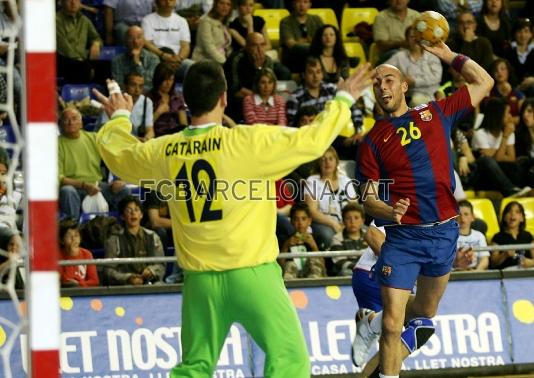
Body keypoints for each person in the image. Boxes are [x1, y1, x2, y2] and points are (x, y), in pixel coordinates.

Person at [93, 60, 372, 377]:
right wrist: (343, 100)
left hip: (200, 282)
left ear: (186, 101)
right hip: (252, 274)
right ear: (224, 98)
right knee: (289, 360)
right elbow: (312, 140)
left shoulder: (164, 150)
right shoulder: (247, 141)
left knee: (194, 368)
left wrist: (118, 117)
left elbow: (118, 154)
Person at [355, 40, 494, 378]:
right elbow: (368, 198)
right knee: (393, 323)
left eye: (388, 80)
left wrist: (448, 56)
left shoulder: (436, 112)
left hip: (445, 231)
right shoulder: (372, 141)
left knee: (424, 313)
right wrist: (390, 213)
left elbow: (484, 82)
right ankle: (380, 330)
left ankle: (369, 323)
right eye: (376, 82)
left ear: (404, 86)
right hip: (403, 238)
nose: (381, 86)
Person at [58, 107, 129, 220]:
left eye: (74, 118)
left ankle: (118, 228)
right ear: (60, 124)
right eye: (66, 120)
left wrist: (119, 179)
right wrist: (84, 185)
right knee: (67, 191)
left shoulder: (93, 138)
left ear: (81, 123)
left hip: (96, 185)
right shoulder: (56, 144)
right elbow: (60, 179)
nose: (71, 122)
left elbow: (114, 157)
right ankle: (73, 230)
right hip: (75, 188)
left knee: (123, 190)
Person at [471, 97, 531, 197]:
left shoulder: (508, 130)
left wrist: (492, 152)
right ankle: (510, 190)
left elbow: (511, 158)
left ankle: (518, 189)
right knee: (486, 160)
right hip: (484, 176)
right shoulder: (480, 134)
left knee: (517, 165)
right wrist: (505, 137)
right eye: (507, 113)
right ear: (498, 116)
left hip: (502, 173)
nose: (510, 116)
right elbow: (495, 159)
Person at [304, 146, 357, 250]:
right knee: (329, 236)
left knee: (369, 233)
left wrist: (348, 223)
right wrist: (333, 224)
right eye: (323, 159)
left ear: (336, 161)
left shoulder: (345, 180)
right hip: (324, 223)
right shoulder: (312, 181)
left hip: (347, 222)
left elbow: (354, 207)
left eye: (331, 158)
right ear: (319, 163)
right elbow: (312, 211)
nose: (327, 162)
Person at [104, 196, 166, 285]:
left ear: (141, 215)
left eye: (136, 210)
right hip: (124, 285)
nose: (133, 213)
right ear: (122, 216)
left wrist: (151, 270)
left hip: (149, 283)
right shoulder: (114, 239)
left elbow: (161, 265)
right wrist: (128, 278)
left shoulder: (153, 236)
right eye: (129, 210)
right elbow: (108, 270)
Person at [385, 25, 442, 106]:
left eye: (418, 36)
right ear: (407, 40)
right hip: (411, 96)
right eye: (412, 37)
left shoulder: (432, 55)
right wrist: (398, 78)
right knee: (416, 101)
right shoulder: (400, 56)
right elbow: (384, 70)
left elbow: (436, 77)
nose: (415, 40)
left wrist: (414, 81)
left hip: (433, 95)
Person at [142, 0, 193, 80]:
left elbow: (185, 46)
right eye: (164, 0)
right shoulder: (147, 20)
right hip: (157, 59)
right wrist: (163, 55)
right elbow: (147, 44)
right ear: (156, 1)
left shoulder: (182, 21)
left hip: (177, 60)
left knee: (192, 66)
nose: (168, 2)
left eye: (171, 0)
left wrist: (179, 59)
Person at [56, 0, 102, 83]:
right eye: (69, 0)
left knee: (106, 68)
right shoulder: (56, 20)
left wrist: (96, 44)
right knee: (83, 68)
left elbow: (96, 37)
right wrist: (80, 58)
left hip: (82, 61)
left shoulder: (84, 20)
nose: (73, 2)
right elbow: (63, 46)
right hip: (65, 60)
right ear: (62, 2)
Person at [100, 72, 155, 141]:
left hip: (134, 144)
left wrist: (146, 139)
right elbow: (107, 131)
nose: (137, 90)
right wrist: (135, 140)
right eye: (133, 85)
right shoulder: (113, 101)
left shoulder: (147, 102)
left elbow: (150, 130)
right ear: (124, 86)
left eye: (140, 86)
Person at [280, 203, 325, 279]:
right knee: (290, 264)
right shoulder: (285, 239)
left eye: (303, 219)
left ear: (309, 221)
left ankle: (315, 288)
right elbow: (279, 267)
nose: (300, 223)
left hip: (312, 276)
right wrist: (286, 246)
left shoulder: (317, 238)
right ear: (291, 221)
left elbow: (323, 266)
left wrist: (314, 246)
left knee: (313, 262)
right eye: (296, 219)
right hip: (292, 277)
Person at [111, 26, 160, 92]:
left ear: (143, 41)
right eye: (131, 38)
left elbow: (149, 83)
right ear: (125, 41)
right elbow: (119, 85)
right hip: (125, 97)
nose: (135, 41)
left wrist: (138, 63)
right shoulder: (117, 61)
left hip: (147, 97)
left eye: (139, 37)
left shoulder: (154, 59)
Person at [279, 0, 323, 73]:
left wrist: (299, 42)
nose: (302, 5)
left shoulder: (317, 20)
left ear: (310, 4)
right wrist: (313, 43)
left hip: (315, 57)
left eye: (305, 2)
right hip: (293, 59)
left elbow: (322, 41)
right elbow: (291, 45)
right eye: (298, 2)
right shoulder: (286, 21)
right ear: (293, 4)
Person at [148, 62, 188, 137]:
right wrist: (158, 112)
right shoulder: (148, 98)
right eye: (165, 80)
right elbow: (144, 126)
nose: (169, 83)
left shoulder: (177, 98)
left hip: (175, 136)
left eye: (171, 79)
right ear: (158, 79)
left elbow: (184, 124)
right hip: (158, 136)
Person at [490, 201, 534, 269]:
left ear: (522, 218)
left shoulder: (528, 236)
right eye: (509, 211)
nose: (513, 214)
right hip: (507, 274)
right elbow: (493, 263)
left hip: (526, 272)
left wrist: (530, 262)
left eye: (517, 212)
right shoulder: (497, 237)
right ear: (504, 217)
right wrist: (504, 255)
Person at [59, 218, 100, 287]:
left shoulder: (87, 254)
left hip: (83, 293)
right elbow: (64, 281)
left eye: (76, 235)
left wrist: (79, 284)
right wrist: (71, 255)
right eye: (69, 236)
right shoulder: (57, 255)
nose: (74, 239)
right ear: (61, 240)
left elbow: (94, 282)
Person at [330, 203, 368, 276]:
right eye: (348, 218)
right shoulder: (337, 238)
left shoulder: (369, 236)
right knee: (346, 272)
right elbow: (340, 262)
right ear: (343, 221)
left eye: (356, 218)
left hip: (368, 270)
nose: (352, 222)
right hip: (350, 272)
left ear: (363, 220)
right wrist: (361, 268)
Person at [192, 0, 233, 64]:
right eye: (222, 3)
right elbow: (208, 47)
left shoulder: (225, 23)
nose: (225, 7)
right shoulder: (206, 21)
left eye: (228, 4)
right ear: (215, 5)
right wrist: (224, 61)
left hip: (220, 61)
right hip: (204, 61)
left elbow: (226, 46)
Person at [454, 200, 490, 271]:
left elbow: (484, 259)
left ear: (472, 217)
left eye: (466, 214)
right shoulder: (447, 237)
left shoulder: (479, 236)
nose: (462, 218)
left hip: (475, 272)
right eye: (459, 214)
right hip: (454, 274)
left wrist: (477, 271)